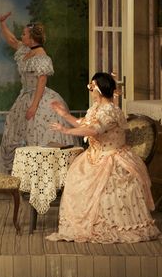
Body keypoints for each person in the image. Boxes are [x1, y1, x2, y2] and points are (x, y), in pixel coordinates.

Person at [47, 72, 160, 243]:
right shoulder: (97, 108)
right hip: (95, 155)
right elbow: (84, 123)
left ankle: (108, 226)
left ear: (98, 90)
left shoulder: (110, 112)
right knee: (76, 178)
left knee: (107, 188)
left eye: (92, 87)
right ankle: (82, 224)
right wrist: (64, 115)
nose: (91, 90)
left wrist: (66, 131)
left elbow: (93, 130)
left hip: (112, 157)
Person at [0, 12, 75, 174]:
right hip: (25, 96)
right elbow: (12, 40)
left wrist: (34, 106)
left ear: (32, 38)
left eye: (24, 34)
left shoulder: (42, 57)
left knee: (38, 134)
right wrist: (2, 24)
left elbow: (42, 80)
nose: (21, 36)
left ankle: (39, 176)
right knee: (14, 134)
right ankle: (21, 175)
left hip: (39, 98)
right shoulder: (25, 50)